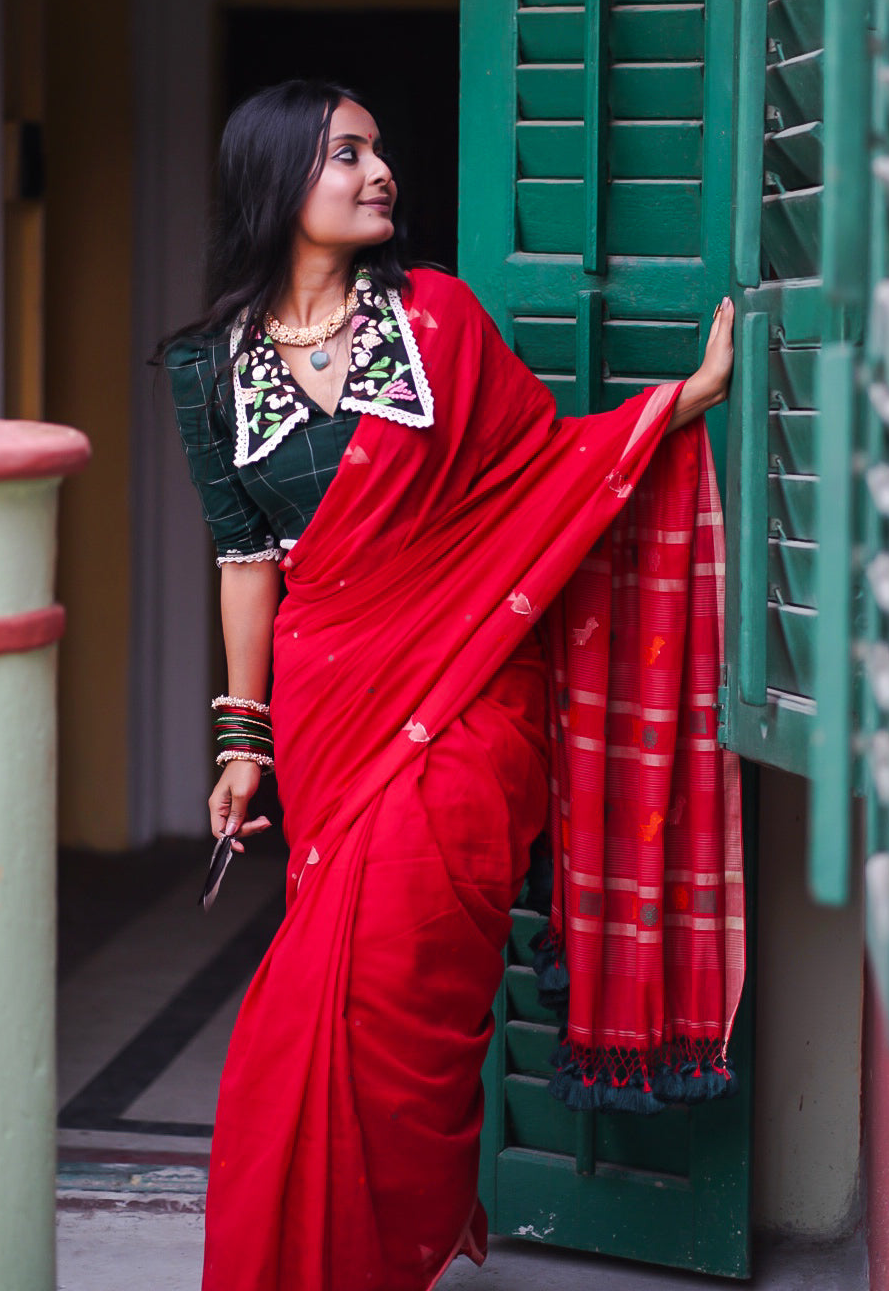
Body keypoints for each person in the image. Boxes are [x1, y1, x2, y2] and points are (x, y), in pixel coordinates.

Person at [164, 79, 738, 1291]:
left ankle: (389, 1251)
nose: (380, 172)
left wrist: (669, 407)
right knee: (307, 1015)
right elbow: (242, 558)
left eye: (379, 149)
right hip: (331, 705)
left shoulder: (439, 319)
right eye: (347, 154)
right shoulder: (202, 368)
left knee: (414, 985)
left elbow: (537, 475)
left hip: (473, 701)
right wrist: (240, 740)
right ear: (279, 182)